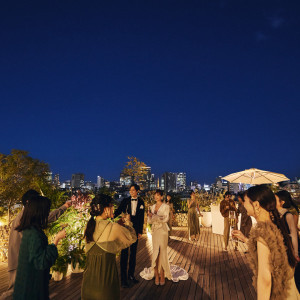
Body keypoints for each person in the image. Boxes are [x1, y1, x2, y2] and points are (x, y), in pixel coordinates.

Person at [1, 189, 71, 300]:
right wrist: (56, 239)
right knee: (14, 292)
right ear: (31, 204)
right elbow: (41, 261)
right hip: (20, 264)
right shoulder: (29, 226)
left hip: (21, 263)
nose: (45, 213)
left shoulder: (26, 220)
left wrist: (64, 207)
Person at [232, 185, 300, 300]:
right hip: (290, 291)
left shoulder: (262, 232)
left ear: (256, 205)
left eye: (245, 202)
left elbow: (265, 279)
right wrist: (245, 239)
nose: (243, 204)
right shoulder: (273, 225)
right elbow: (268, 249)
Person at [81, 194, 137, 300]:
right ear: (106, 209)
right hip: (106, 287)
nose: (114, 208)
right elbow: (132, 238)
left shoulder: (88, 227)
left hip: (87, 285)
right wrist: (128, 222)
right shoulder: (113, 228)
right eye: (112, 206)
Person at [140, 190, 188, 285]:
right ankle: (156, 274)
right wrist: (152, 217)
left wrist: (154, 216)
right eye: (155, 195)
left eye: (158, 195)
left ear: (162, 196)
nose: (156, 197)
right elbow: (149, 221)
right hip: (155, 231)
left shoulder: (166, 206)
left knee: (162, 251)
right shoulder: (152, 207)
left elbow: (166, 219)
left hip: (163, 231)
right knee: (155, 252)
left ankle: (162, 273)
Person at [114, 184, 145, 288]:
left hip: (135, 231)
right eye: (130, 190)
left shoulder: (141, 202)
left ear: (137, 191)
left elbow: (141, 218)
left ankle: (131, 275)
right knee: (124, 254)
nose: (131, 192)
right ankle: (123, 279)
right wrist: (110, 216)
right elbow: (118, 211)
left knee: (133, 254)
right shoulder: (125, 201)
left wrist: (140, 231)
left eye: (133, 190)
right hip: (126, 231)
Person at [276, 190, 300, 293]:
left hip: (289, 249)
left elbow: (293, 234)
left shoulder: (288, 215)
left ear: (282, 202)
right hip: (281, 249)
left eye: (275, 199)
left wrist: (295, 252)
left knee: (292, 278)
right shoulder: (275, 215)